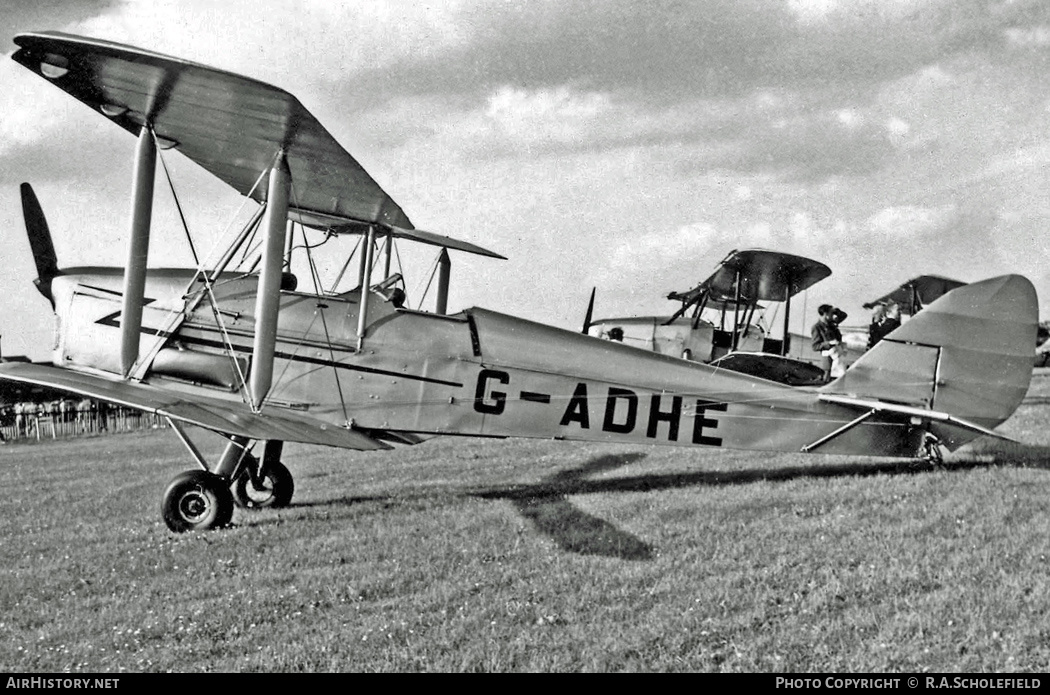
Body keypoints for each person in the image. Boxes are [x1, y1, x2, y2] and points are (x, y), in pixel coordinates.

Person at [812, 304, 848, 381]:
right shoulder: (817, 327)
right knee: (827, 378)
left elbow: (844, 315)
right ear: (825, 314)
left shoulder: (831, 324)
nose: (833, 315)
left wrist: (836, 311)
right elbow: (815, 346)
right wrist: (830, 343)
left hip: (838, 355)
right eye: (831, 313)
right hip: (827, 357)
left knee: (839, 377)